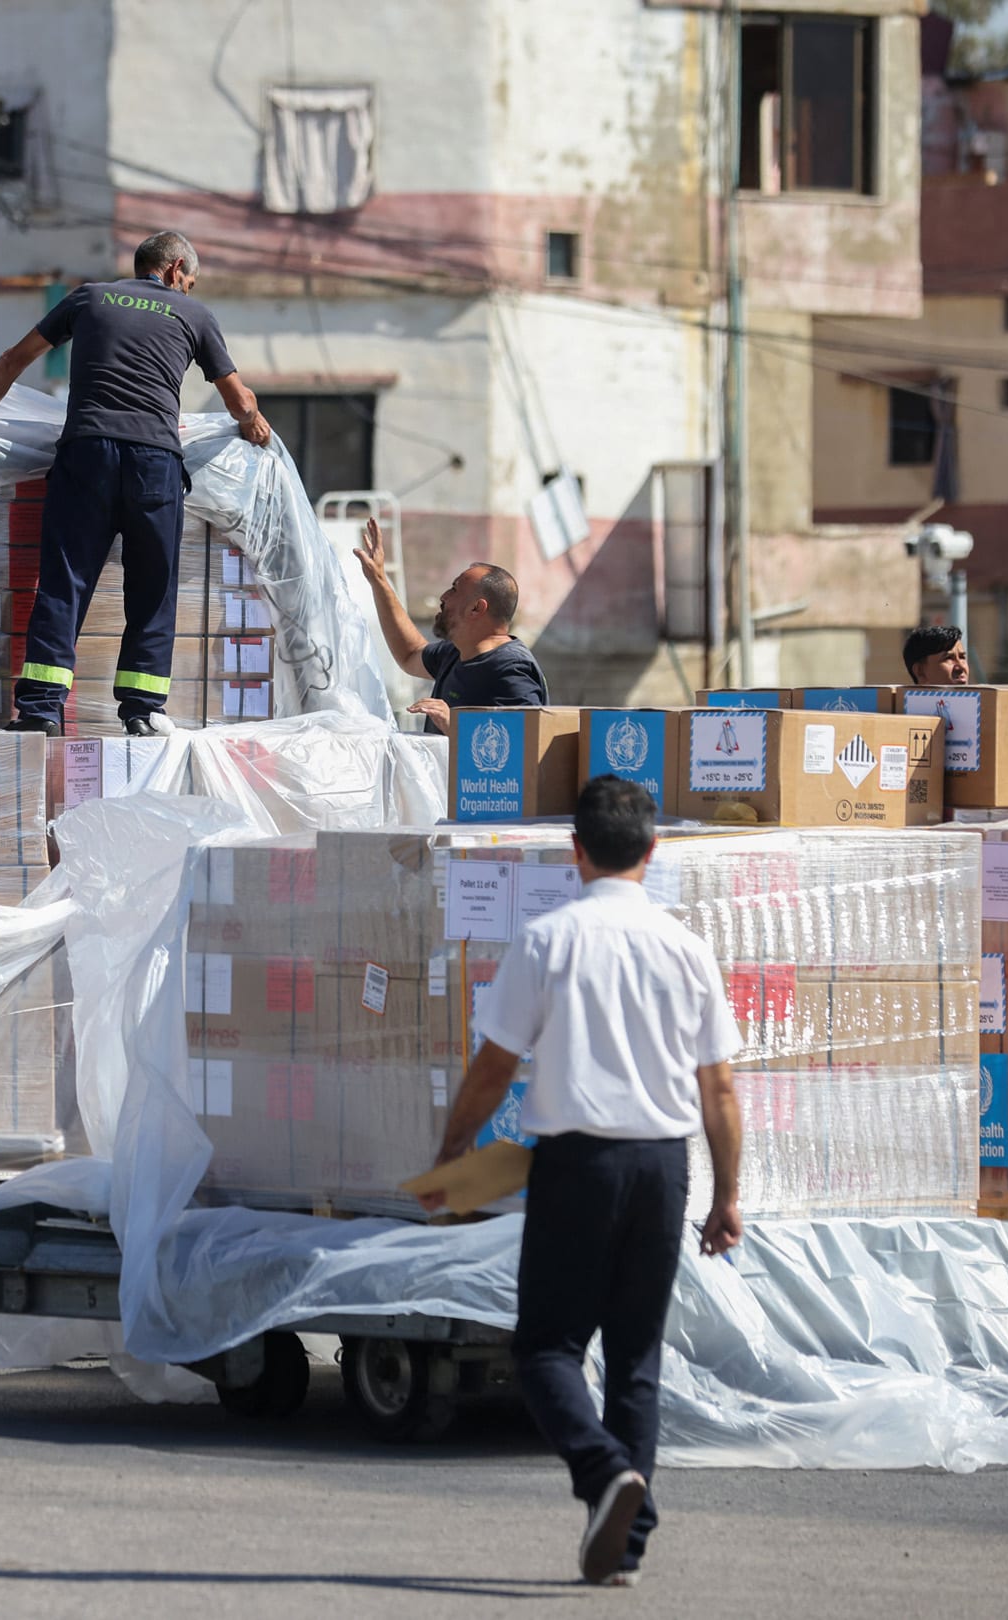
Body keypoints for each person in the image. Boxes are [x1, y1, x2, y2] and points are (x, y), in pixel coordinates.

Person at [422, 776, 743, 1587]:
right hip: (662, 1166)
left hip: (578, 1163)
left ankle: (606, 1478)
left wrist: (454, 1151)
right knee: (635, 1357)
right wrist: (727, 1197)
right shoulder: (687, 947)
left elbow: (496, 1064)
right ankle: (622, 1549)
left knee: (545, 1348)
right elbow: (722, 1091)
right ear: (653, 850)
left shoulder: (547, 940)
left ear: (576, 853)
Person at [0, 229, 273, 737]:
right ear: (176, 269)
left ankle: (42, 709)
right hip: (153, 462)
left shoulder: (87, 297)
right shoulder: (193, 315)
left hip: (84, 455)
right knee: (152, 586)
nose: (190, 291)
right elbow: (239, 401)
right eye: (191, 282)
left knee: (65, 580)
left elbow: (11, 361)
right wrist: (255, 426)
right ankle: (142, 709)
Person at [353, 515, 546, 735]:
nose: (443, 597)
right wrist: (378, 580)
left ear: (476, 608)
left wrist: (454, 725)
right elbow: (410, 653)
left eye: (454, 589)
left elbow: (524, 747)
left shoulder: (510, 669)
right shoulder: (456, 653)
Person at [904, 623, 971, 685]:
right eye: (948, 658)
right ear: (920, 671)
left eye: (962, 657)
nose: (961, 667)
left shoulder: (979, 697)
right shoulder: (899, 697)